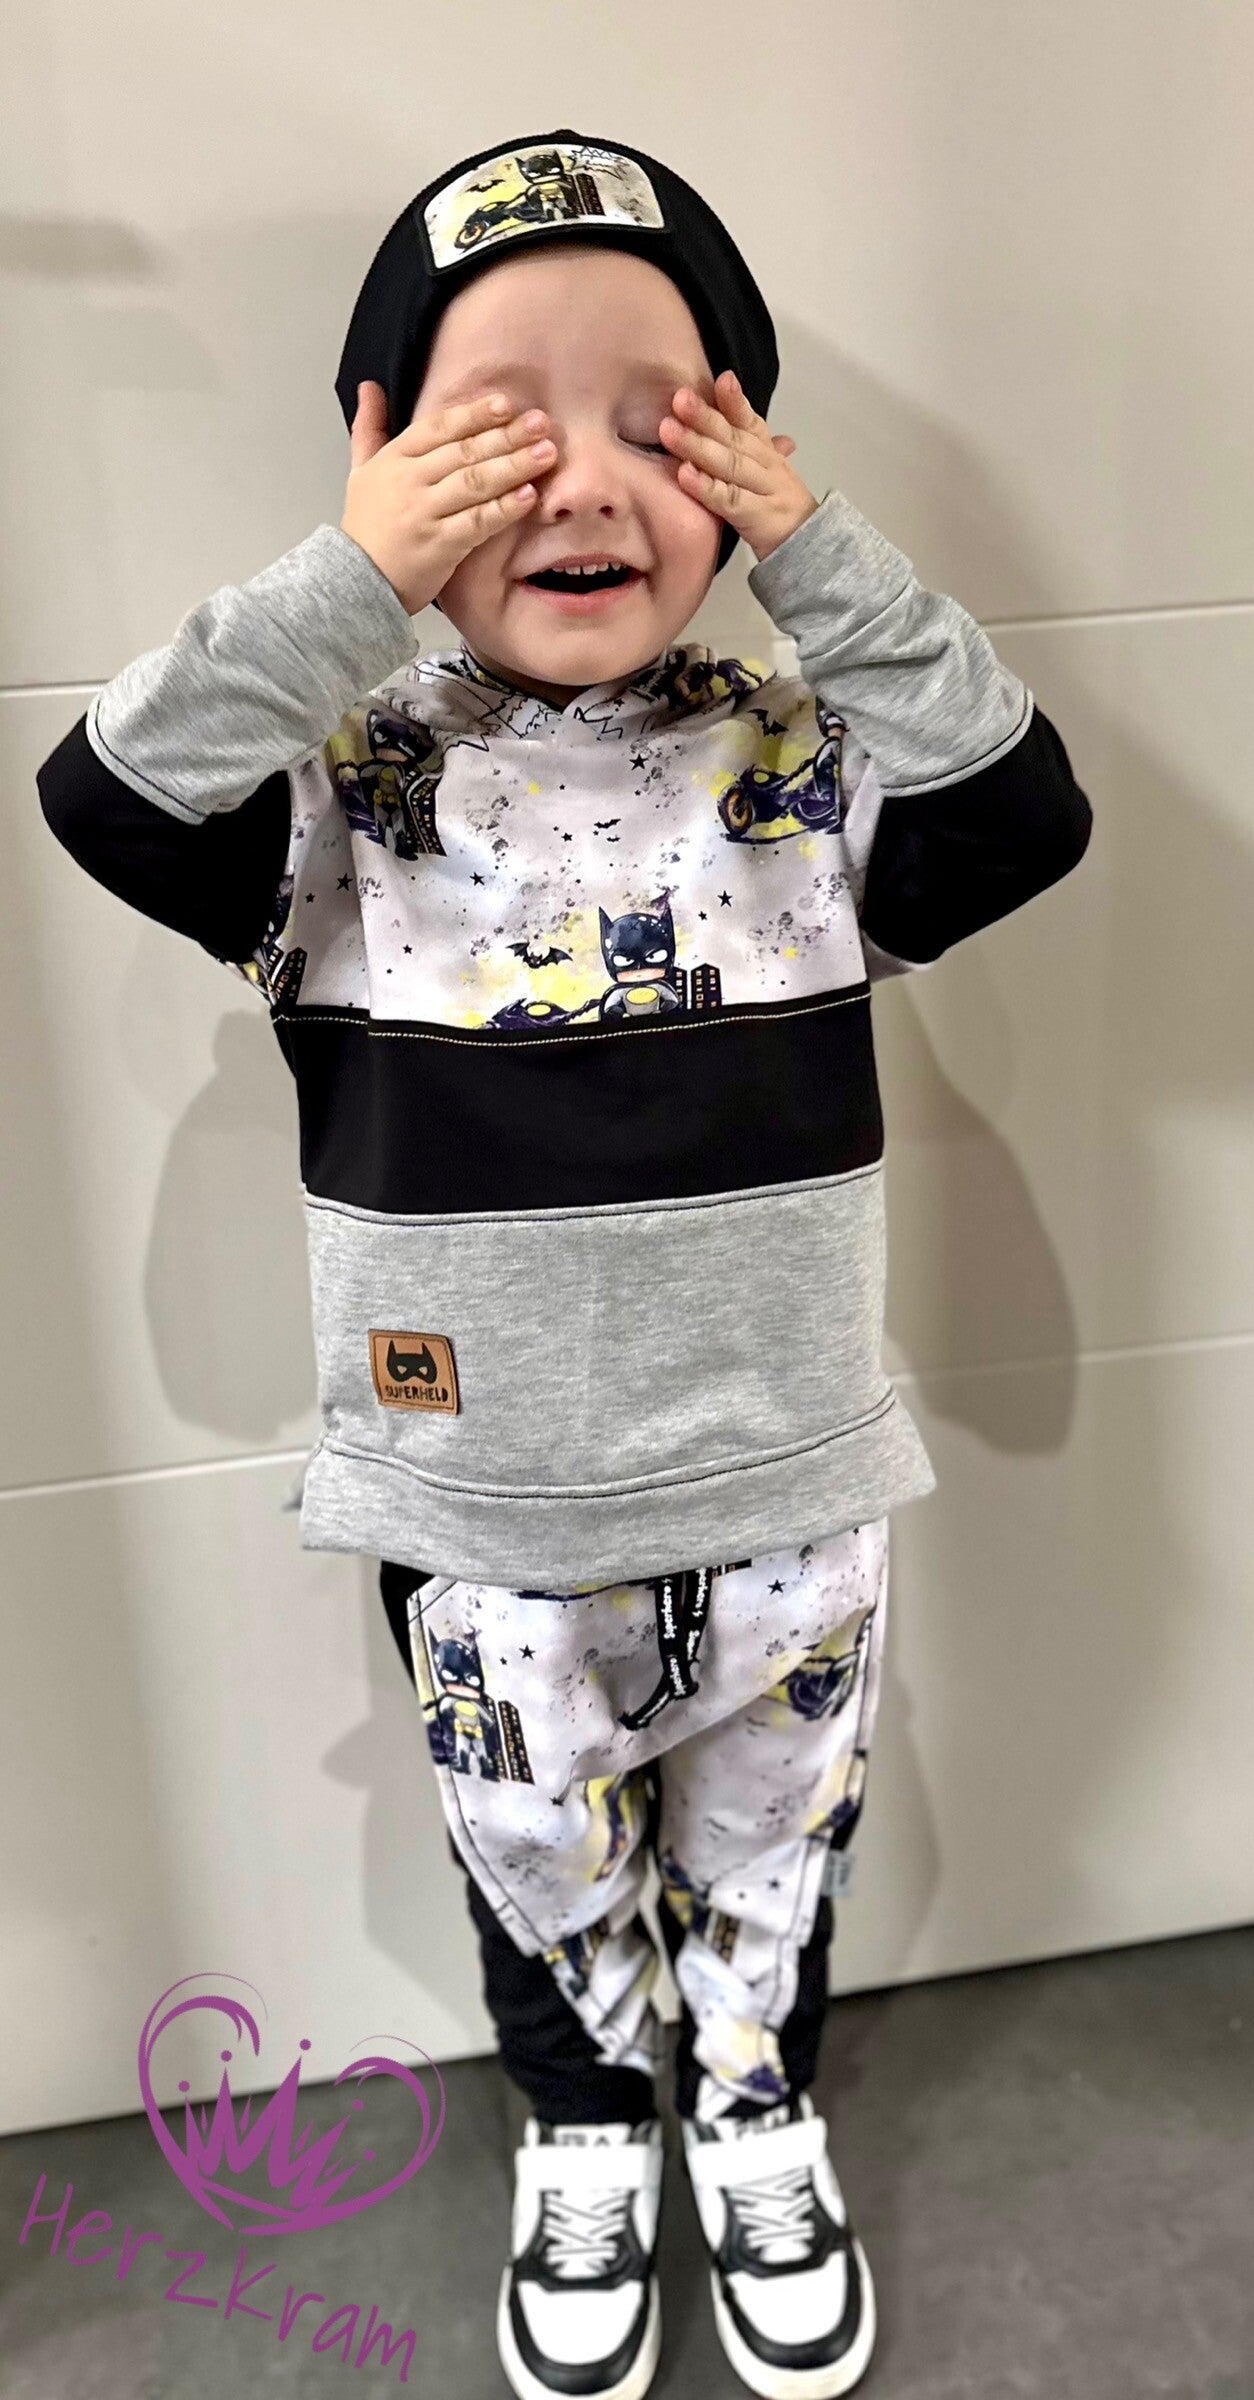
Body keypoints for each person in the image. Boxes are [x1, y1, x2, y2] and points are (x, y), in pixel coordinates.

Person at [37, 127, 1092, 2400]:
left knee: (774, 1856)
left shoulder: (806, 762)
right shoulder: (335, 792)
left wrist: (820, 560)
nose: (584, 485)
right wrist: (353, 574)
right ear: (385, 450)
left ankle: (754, 2105)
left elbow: (1024, 815)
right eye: (500, 432)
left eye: (658, 418)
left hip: (790, 1482)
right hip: (476, 1506)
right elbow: (110, 798)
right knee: (531, 1851)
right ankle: (590, 2123)